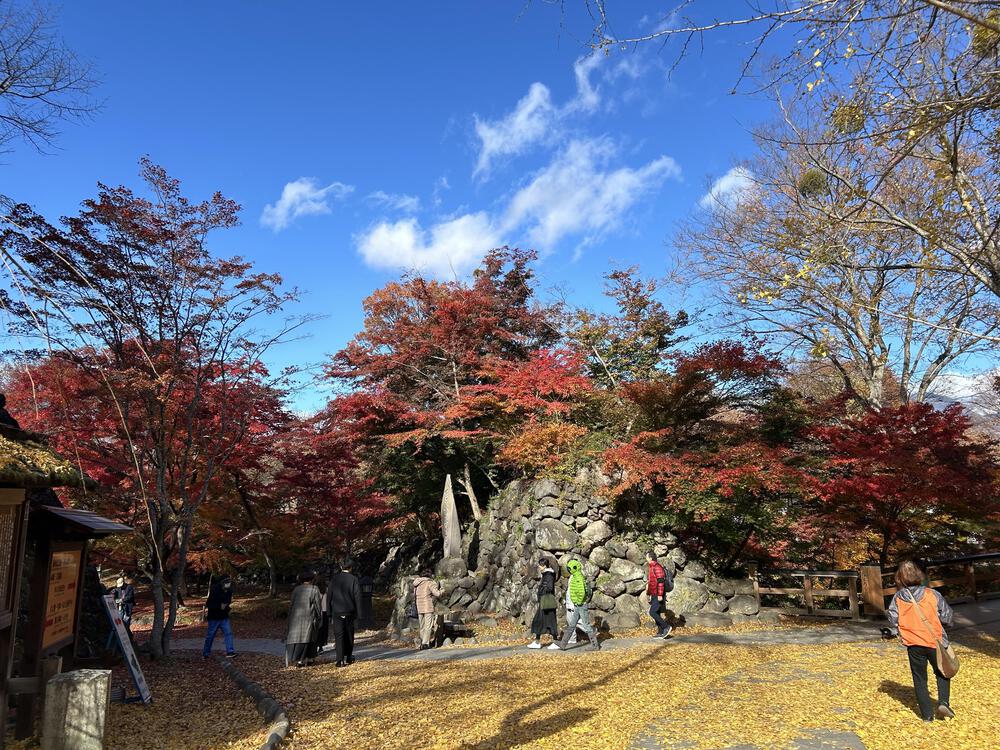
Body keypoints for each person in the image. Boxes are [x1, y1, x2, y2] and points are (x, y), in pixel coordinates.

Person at [885, 559, 956, 722]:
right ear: (919, 575)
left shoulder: (898, 598)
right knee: (943, 672)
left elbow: (893, 618)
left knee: (919, 678)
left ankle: (927, 716)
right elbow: (947, 616)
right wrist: (945, 624)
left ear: (900, 578)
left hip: (913, 643)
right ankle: (943, 702)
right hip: (934, 641)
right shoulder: (932, 594)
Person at [551, 559, 600, 651]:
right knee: (572, 625)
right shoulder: (576, 576)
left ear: (572, 568)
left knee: (585, 625)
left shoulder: (578, 578)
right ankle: (563, 644)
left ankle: (595, 645)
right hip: (578, 605)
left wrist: (579, 601)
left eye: (569, 568)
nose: (568, 570)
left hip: (580, 605)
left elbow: (581, 591)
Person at [328, 558, 363, 667]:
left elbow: (329, 596)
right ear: (351, 567)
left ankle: (339, 659)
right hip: (350, 611)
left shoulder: (334, 579)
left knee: (339, 635)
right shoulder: (354, 579)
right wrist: (359, 613)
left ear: (341, 567)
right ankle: (348, 656)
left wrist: (329, 612)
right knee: (349, 634)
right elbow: (358, 596)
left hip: (337, 611)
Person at [285, 570, 322, 668]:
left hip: (296, 617)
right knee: (310, 638)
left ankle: (299, 660)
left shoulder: (296, 589)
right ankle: (309, 658)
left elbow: (291, 604)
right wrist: (319, 616)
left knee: (298, 638)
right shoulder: (314, 589)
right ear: (311, 579)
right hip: (309, 617)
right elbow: (318, 605)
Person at [202, 574, 236, 659]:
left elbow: (228, 600)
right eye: (226, 583)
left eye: (229, 582)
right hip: (214, 617)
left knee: (228, 633)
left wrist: (226, 605)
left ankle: (230, 652)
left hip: (224, 616)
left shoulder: (229, 591)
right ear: (222, 583)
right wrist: (219, 606)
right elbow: (209, 603)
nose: (228, 584)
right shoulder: (215, 590)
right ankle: (206, 653)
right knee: (210, 635)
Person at [528, 559, 559, 649]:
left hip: (547, 602)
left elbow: (549, 587)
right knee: (542, 621)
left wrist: (541, 590)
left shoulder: (548, 575)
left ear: (544, 566)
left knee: (546, 622)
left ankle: (554, 642)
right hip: (545, 602)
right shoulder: (546, 574)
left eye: (540, 565)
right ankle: (538, 642)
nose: (539, 567)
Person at [412, 569, 443, 650]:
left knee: (422, 626)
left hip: (419, 607)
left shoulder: (417, 583)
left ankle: (422, 642)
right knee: (428, 626)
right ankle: (425, 644)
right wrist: (442, 591)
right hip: (427, 607)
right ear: (429, 575)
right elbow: (437, 594)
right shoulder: (430, 583)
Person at [646, 552, 673, 638]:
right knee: (656, 611)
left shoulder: (657, 567)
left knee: (652, 612)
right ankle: (660, 632)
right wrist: (649, 594)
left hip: (658, 593)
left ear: (650, 558)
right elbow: (652, 582)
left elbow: (661, 581)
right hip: (654, 593)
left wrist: (660, 594)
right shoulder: (652, 567)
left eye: (646, 557)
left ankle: (666, 627)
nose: (646, 558)